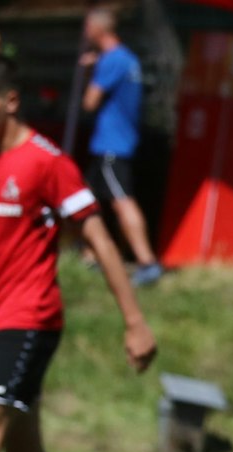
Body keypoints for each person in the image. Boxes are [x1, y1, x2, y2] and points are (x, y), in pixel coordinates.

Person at [0, 57, 157, 452]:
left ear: (9, 102)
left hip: (25, 318)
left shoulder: (46, 162)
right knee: (23, 449)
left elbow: (98, 239)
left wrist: (134, 321)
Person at [79, 6, 159, 287]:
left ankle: (147, 262)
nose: (85, 32)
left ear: (98, 29)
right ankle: (92, 255)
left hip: (111, 144)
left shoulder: (111, 60)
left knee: (122, 201)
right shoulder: (127, 58)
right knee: (89, 200)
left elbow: (90, 102)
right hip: (119, 141)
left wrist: (89, 71)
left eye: (87, 26)